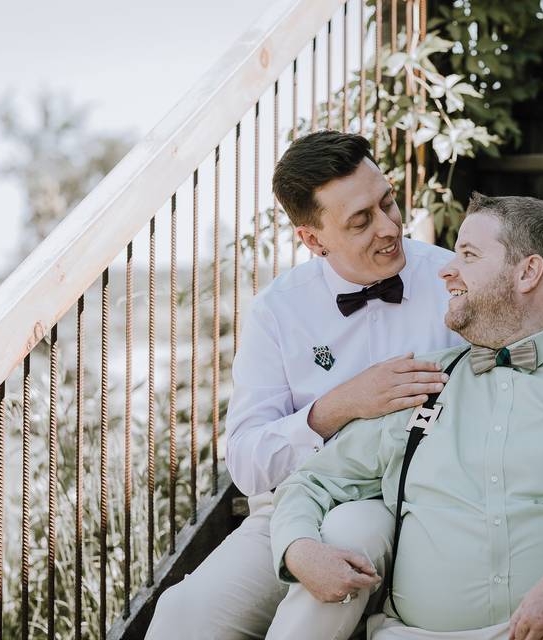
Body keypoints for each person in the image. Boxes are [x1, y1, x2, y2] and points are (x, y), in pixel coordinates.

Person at [145, 131, 464, 639]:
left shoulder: (453, 279)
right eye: (361, 220)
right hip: (288, 509)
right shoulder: (278, 310)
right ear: (314, 240)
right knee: (184, 615)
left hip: (409, 503)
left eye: (388, 202)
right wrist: (336, 407)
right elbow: (249, 463)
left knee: (344, 549)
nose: (389, 227)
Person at [270, 193, 543, 640]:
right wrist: (299, 550)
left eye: (469, 255)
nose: (445, 270)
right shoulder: (420, 384)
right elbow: (311, 482)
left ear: (528, 272)